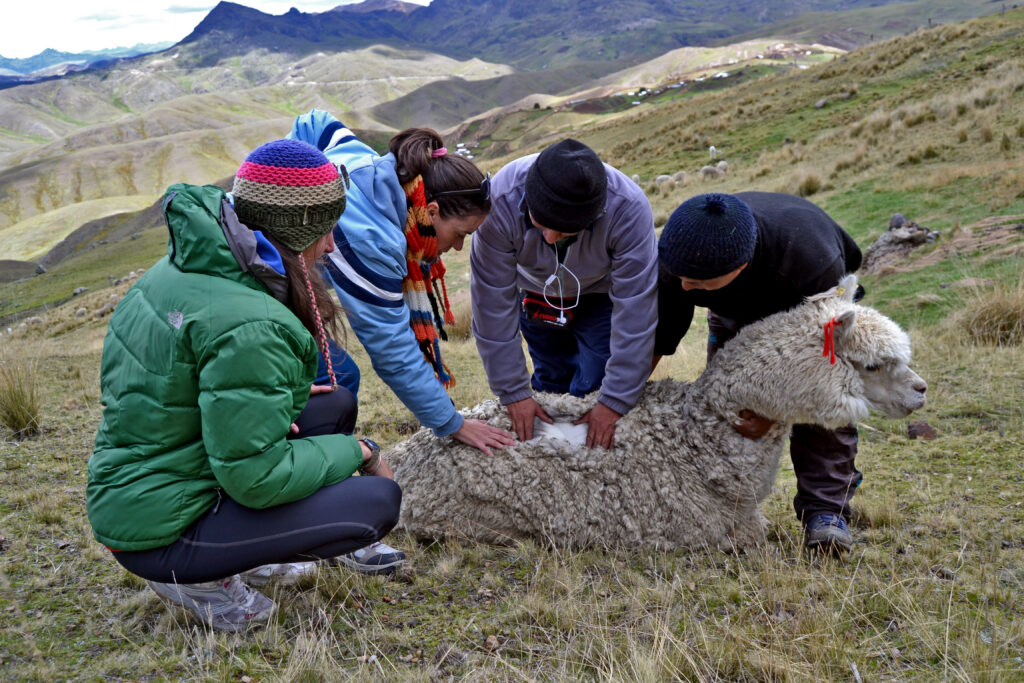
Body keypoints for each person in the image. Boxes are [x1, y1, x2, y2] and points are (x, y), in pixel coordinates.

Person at [86, 139, 402, 632]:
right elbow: (256, 478)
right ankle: (200, 579)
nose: (332, 245)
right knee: (375, 504)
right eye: (327, 229)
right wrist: (361, 452)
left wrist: (283, 401)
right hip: (160, 530)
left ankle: (241, 550)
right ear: (297, 228)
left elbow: (192, 399)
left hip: (146, 486)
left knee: (332, 405)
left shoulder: (187, 267)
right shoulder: (250, 321)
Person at [654, 191, 864, 553]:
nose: (686, 288)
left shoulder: (810, 257)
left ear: (739, 266)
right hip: (734, 310)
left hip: (815, 306)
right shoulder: (681, 261)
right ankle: (727, 510)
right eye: (681, 278)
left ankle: (827, 512)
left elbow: (817, 356)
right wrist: (621, 397)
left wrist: (773, 409)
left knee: (824, 404)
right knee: (728, 408)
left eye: (699, 283)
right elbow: (659, 338)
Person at [469, 139, 659, 450]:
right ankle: (546, 460)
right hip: (534, 291)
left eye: (566, 232)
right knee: (550, 377)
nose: (550, 237)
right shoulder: (501, 201)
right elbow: (490, 304)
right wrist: (514, 393)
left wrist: (613, 401)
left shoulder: (628, 209)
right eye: (541, 225)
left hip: (599, 293)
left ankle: (585, 467)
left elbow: (637, 313)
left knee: (593, 386)